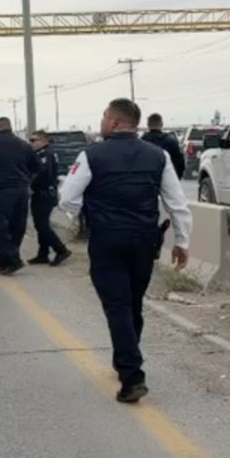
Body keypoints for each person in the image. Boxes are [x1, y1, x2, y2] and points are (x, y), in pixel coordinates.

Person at [58, 98, 192, 403]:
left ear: (114, 122)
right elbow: (177, 204)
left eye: (104, 116)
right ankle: (126, 358)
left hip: (107, 239)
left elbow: (68, 198)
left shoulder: (91, 155)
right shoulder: (158, 156)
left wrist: (83, 217)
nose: (102, 121)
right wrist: (182, 242)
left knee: (117, 306)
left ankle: (132, 375)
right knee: (132, 303)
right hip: (145, 241)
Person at [0, 117, 38, 275]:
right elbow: (36, 167)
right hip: (21, 190)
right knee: (17, 227)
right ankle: (6, 263)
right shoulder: (24, 145)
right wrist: (26, 179)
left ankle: (13, 258)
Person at [28, 130, 72, 266]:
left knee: (42, 225)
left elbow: (42, 174)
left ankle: (61, 249)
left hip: (44, 193)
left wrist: (30, 182)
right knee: (40, 224)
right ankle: (43, 253)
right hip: (42, 193)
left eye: (33, 140)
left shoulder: (45, 154)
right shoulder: (43, 154)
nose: (31, 143)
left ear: (43, 141)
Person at [141, 113, 186, 180]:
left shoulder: (141, 141)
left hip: (145, 180)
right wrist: (176, 178)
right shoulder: (171, 142)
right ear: (161, 124)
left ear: (148, 125)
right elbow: (180, 163)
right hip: (166, 179)